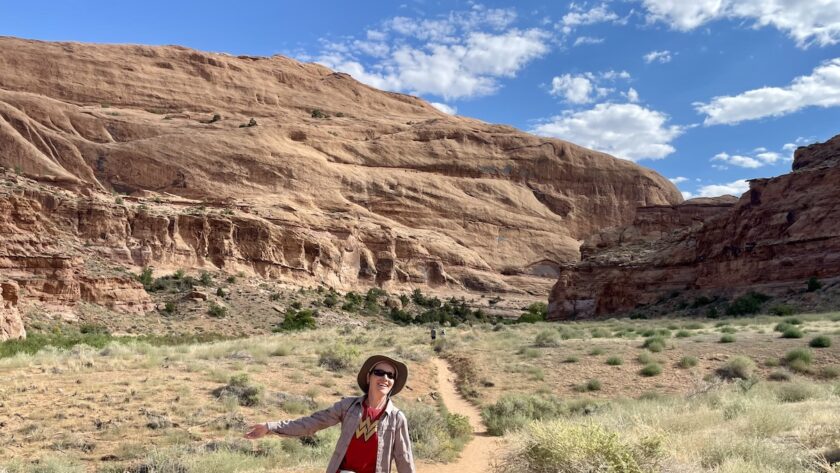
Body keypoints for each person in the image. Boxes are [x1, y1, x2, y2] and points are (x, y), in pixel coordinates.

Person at [245, 354, 415, 473]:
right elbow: (310, 424)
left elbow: (404, 458)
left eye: (390, 375)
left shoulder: (397, 418)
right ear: (368, 377)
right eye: (379, 372)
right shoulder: (348, 407)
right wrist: (270, 427)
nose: (385, 377)